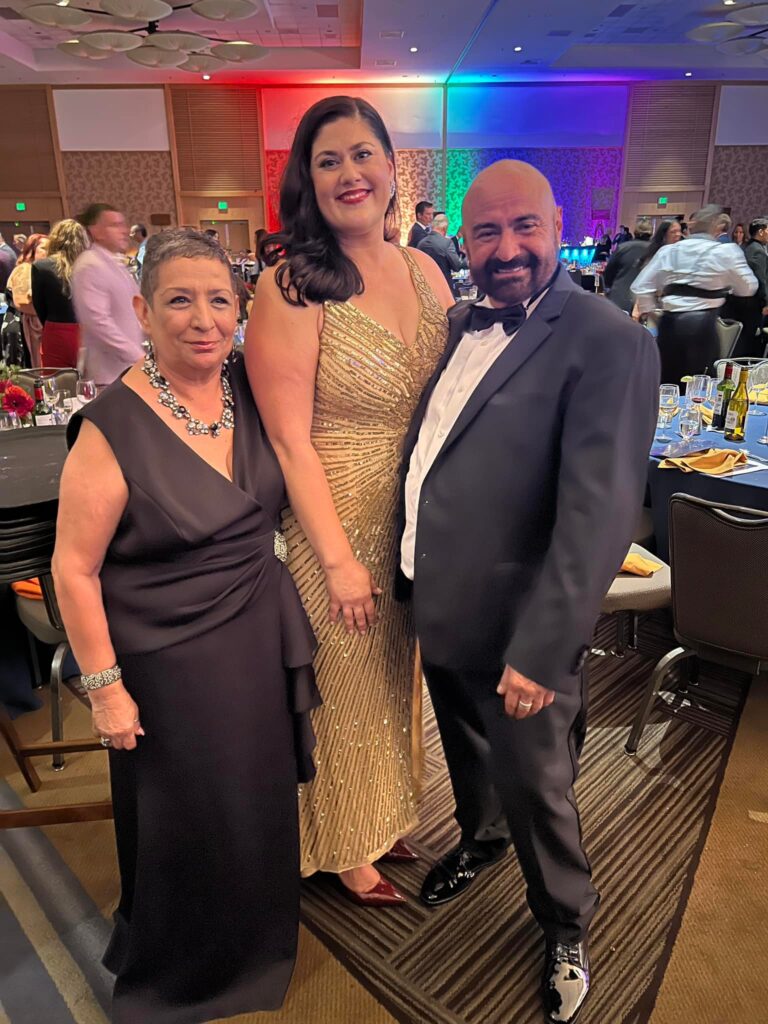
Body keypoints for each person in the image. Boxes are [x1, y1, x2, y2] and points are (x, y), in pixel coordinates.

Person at [398, 159, 660, 1024]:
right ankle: (480, 838)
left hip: (523, 622)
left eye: (524, 228)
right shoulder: (457, 323)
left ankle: (565, 922)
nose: (506, 249)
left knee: (539, 784)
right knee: (465, 747)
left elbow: (598, 515)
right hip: (440, 595)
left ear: (556, 227)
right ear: (464, 240)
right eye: (487, 232)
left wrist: (545, 650)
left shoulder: (608, 339)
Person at [52, 228, 320, 1024]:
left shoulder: (249, 389)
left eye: (219, 300)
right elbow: (73, 570)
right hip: (164, 658)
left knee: (252, 806)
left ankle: (251, 948)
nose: (203, 320)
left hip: (254, 638)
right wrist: (105, 690)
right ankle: (181, 974)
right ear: (141, 311)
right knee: (187, 818)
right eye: (179, 300)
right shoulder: (110, 426)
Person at [246, 95, 453, 904]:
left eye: (363, 154)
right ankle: (340, 841)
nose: (349, 174)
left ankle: (382, 812)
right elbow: (288, 439)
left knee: (397, 676)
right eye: (327, 161)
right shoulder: (291, 286)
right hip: (333, 511)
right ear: (307, 180)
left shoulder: (425, 269)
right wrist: (334, 559)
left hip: (416, 515)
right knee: (342, 685)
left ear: (393, 169)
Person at [632, 204, 757, 383]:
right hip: (703, 327)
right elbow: (748, 287)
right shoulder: (726, 252)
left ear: (691, 227)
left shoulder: (669, 251)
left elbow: (641, 286)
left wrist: (651, 313)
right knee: (699, 385)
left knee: (666, 382)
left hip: (669, 325)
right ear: (715, 227)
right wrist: (725, 284)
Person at [72, 203, 144, 386]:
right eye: (115, 225)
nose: (124, 231)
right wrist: (138, 357)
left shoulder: (115, 262)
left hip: (127, 368)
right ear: (96, 231)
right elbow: (98, 321)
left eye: (123, 225)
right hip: (108, 373)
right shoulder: (90, 265)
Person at [31, 218, 89, 369]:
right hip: (89, 332)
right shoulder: (92, 266)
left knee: (56, 380)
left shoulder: (41, 267)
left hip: (57, 331)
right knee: (92, 380)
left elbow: (40, 307)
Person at [722, 217, 768, 358]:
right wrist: (766, 302)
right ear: (761, 232)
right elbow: (761, 279)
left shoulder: (747, 247)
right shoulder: (758, 251)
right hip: (750, 303)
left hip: (737, 300)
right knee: (747, 339)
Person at [6, 233, 48, 367]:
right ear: (31, 250)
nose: (49, 252)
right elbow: (22, 303)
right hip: (26, 326)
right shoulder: (25, 269)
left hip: (36, 325)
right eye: (44, 248)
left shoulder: (40, 270)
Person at [602, 217, 652, 313]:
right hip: (645, 303)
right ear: (651, 232)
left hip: (619, 299)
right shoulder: (657, 251)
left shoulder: (622, 248)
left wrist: (608, 289)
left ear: (635, 231)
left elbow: (608, 273)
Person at [417, 212, 467, 296]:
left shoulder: (421, 243)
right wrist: (468, 257)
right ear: (444, 228)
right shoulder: (447, 243)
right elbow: (457, 266)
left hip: (425, 289)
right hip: (443, 288)